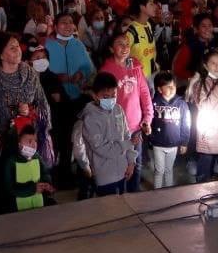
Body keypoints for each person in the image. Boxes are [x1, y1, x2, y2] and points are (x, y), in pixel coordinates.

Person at [0, 33, 51, 155]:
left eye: (17, 46)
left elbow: (42, 102)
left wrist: (30, 112)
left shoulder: (30, 73)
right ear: (1, 55)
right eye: (12, 48)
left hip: (30, 139)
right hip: (2, 142)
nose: (18, 50)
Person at [98, 32, 153, 192]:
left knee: (136, 164)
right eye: (120, 43)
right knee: (119, 166)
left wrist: (147, 118)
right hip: (116, 130)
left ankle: (133, 198)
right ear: (110, 48)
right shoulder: (106, 71)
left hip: (136, 128)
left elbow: (144, 93)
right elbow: (103, 102)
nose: (125, 47)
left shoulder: (135, 65)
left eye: (127, 44)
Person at [79, 72, 138, 196]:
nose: (111, 99)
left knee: (122, 205)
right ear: (95, 96)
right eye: (106, 97)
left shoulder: (118, 110)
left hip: (123, 170)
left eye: (114, 95)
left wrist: (131, 162)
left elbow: (127, 135)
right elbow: (102, 148)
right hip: (104, 175)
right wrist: (127, 144)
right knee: (108, 210)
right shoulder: (90, 118)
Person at [185, 48, 218, 182]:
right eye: (213, 63)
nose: (217, 66)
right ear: (206, 65)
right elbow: (205, 106)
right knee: (206, 162)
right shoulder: (200, 84)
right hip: (209, 132)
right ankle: (202, 189)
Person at [149, 71, 191, 189]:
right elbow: (149, 121)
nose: (172, 88)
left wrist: (184, 142)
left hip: (173, 145)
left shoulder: (181, 104)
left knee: (168, 170)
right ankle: (156, 193)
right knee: (159, 170)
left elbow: (186, 124)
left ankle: (169, 193)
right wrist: (151, 137)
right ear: (159, 89)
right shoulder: (153, 103)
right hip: (158, 144)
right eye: (168, 86)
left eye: (173, 85)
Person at [4, 124, 55, 211]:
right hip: (18, 207)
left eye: (35, 140)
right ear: (18, 143)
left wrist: (47, 183)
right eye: (29, 141)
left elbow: (45, 173)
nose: (33, 144)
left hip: (38, 203)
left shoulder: (37, 157)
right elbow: (9, 188)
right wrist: (33, 189)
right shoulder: (11, 162)